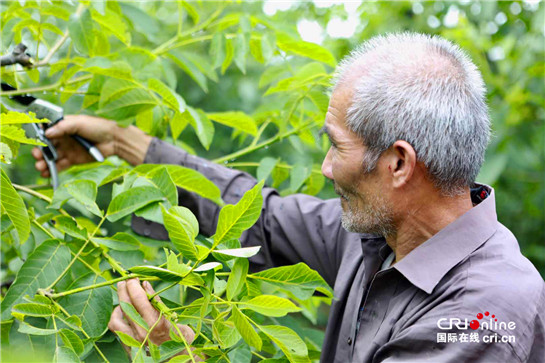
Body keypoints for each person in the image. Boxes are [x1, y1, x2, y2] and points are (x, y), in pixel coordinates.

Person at [33, 33, 544, 362]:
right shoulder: (380, 237)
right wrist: (124, 145)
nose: (324, 168)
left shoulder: (484, 313)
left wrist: (184, 357)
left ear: (399, 164)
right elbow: (257, 216)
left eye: (334, 145)